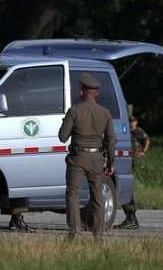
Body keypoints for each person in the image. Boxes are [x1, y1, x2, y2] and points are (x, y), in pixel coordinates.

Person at [59, 73, 116, 239]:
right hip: (97, 159)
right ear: (96, 93)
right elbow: (111, 140)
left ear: (82, 91)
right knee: (97, 196)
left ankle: (75, 231)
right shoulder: (105, 113)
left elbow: (62, 137)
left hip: (77, 158)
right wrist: (111, 163)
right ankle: (98, 234)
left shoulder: (74, 111)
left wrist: (66, 122)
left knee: (73, 194)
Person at [115, 107, 150, 230]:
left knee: (126, 188)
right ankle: (131, 218)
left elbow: (147, 140)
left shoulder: (137, 131)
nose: (131, 123)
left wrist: (143, 151)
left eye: (133, 121)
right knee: (124, 188)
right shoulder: (126, 130)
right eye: (130, 121)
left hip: (129, 162)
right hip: (127, 160)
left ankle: (131, 218)